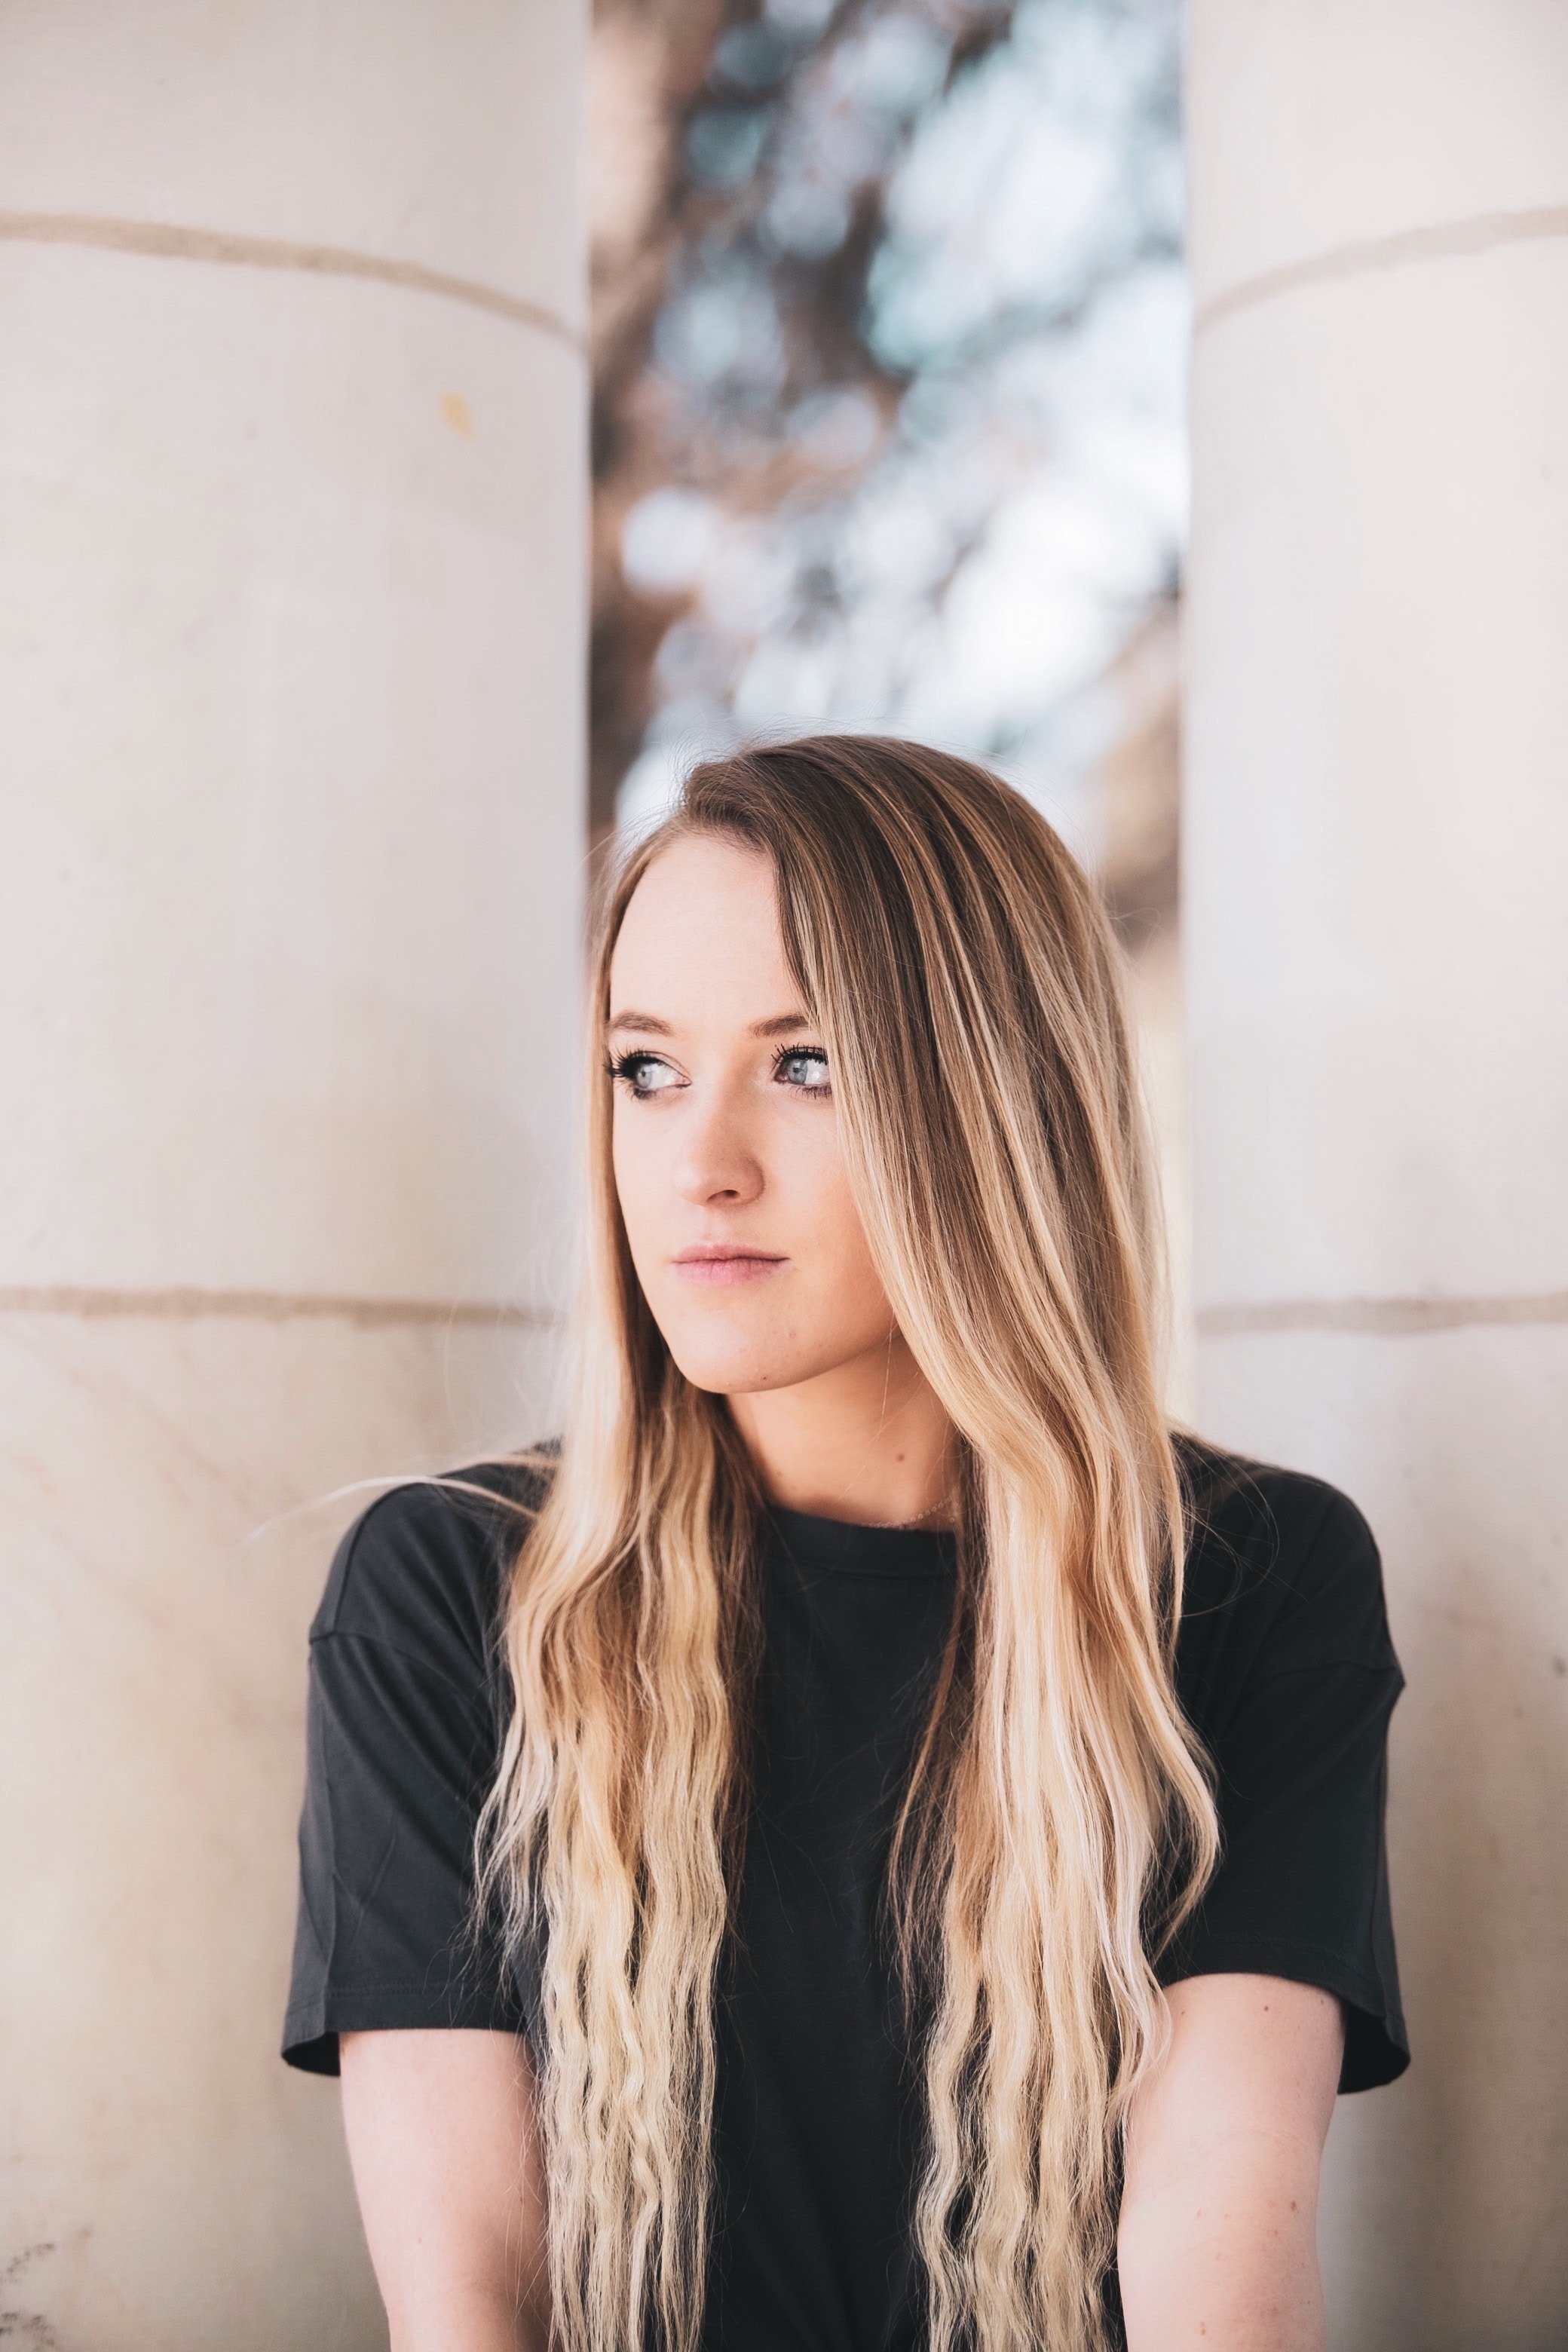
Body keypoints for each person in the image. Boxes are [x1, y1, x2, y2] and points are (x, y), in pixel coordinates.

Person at [282, 735, 1407, 2352]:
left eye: (803, 1063)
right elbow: (472, 2309)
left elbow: (1218, 2263)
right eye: (645, 1068)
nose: (698, 1162)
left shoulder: (1241, 1578)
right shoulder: (455, 1590)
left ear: (996, 1101)